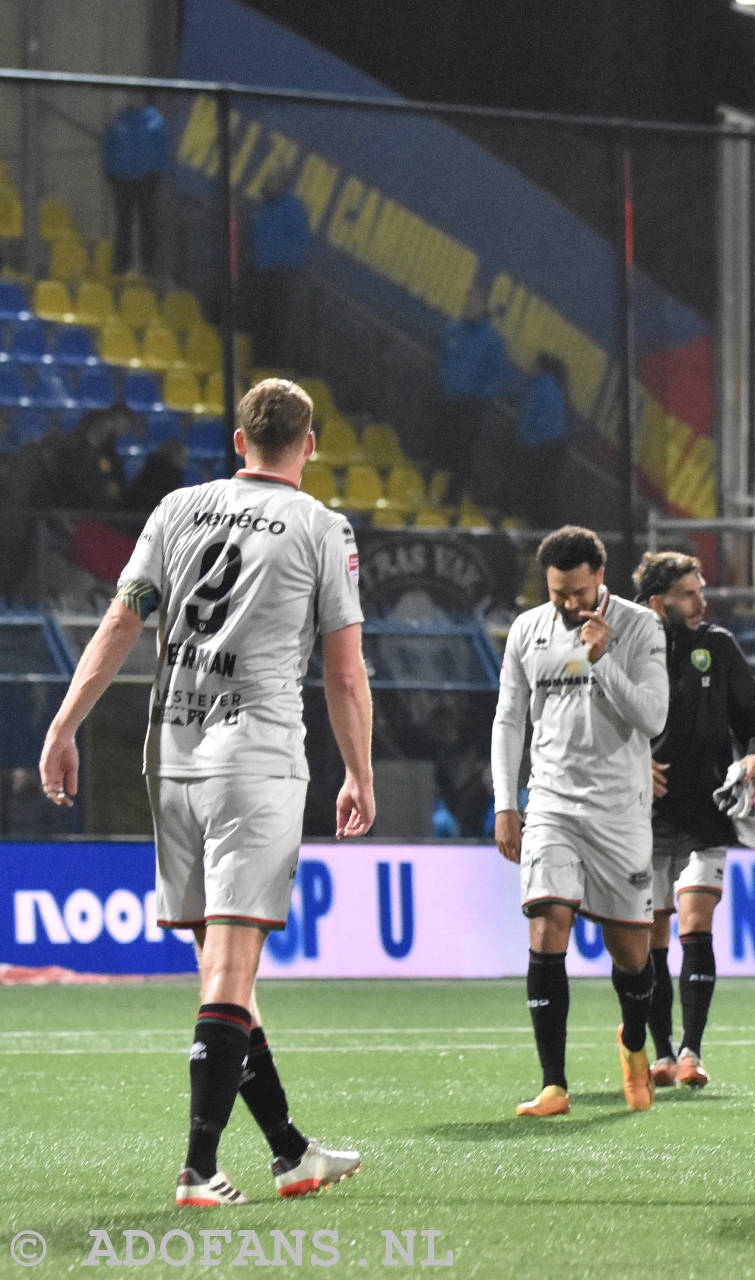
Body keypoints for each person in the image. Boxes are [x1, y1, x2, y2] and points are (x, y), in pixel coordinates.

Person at [37, 378, 369, 1207]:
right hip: (254, 761)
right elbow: (343, 668)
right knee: (228, 974)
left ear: (237, 440)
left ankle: (291, 1152)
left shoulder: (177, 509)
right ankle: (198, 1167)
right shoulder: (322, 528)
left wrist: (63, 725)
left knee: (226, 978)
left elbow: (121, 621)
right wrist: (359, 770)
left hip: (172, 757)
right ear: (312, 443)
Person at [490, 526, 669, 1119]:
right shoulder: (528, 631)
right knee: (549, 923)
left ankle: (635, 1043)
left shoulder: (640, 627)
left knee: (631, 956)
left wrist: (603, 661)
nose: (570, 605)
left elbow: (653, 717)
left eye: (580, 592)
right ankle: (554, 1085)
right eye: (559, 593)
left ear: (602, 573)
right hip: (552, 805)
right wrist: (505, 803)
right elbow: (509, 720)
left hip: (620, 811)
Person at [631, 550, 755, 1091]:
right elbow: (605, 720)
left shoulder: (717, 646)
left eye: (701, 589)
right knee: (653, 938)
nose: (701, 601)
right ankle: (661, 1051)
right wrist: (633, 762)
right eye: (688, 593)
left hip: (707, 814)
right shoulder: (629, 647)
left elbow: (750, 715)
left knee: (696, 926)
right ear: (657, 603)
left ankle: (691, 1051)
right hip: (644, 818)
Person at [435, 283, 511, 509]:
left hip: (471, 405)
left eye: (474, 300)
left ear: (483, 305)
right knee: (440, 445)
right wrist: (444, 381)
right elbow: (443, 357)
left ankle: (453, 497)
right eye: (467, 299)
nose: (469, 304)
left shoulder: (491, 340)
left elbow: (497, 374)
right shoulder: (453, 330)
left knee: (463, 451)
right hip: (446, 398)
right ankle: (432, 488)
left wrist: (479, 396)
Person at [243, 169, 310, 369]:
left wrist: (284, 264)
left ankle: (271, 365)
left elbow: (298, 242)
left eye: (272, 179)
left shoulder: (294, 208)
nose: (267, 183)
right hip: (259, 271)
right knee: (258, 320)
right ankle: (257, 364)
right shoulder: (261, 206)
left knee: (275, 323)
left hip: (280, 274)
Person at [102, 100, 168, 275]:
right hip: (123, 180)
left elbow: (163, 149)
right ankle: (122, 265)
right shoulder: (118, 121)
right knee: (124, 224)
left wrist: (158, 172)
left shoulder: (155, 121)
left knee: (148, 224)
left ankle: (149, 266)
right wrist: (111, 172)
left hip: (147, 180)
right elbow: (108, 148)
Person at [514, 355, 569, 528]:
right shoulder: (552, 387)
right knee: (546, 494)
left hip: (540, 448)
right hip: (549, 447)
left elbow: (533, 419)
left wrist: (526, 440)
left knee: (538, 494)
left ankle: (539, 532)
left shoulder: (542, 387)